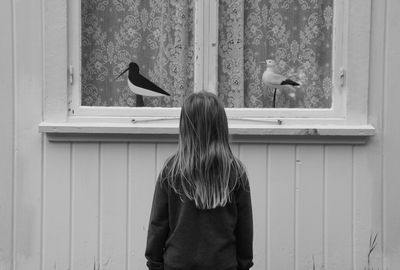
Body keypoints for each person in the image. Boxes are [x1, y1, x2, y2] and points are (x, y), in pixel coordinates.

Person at [145, 91, 253, 270]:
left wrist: (155, 264)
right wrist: (244, 265)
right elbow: (245, 231)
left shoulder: (171, 171)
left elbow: (158, 226)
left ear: (185, 127)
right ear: (220, 126)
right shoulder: (235, 172)